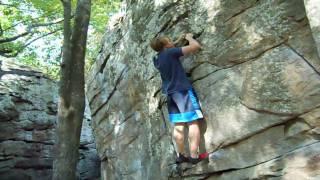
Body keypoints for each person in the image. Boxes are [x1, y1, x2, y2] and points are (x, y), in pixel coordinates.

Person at [150, 33, 204, 164]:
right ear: (166, 45)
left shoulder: (157, 59)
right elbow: (196, 46)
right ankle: (194, 156)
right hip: (182, 92)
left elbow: (169, 46)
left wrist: (178, 39)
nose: (172, 42)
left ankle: (181, 155)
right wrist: (189, 38)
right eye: (170, 41)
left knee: (179, 125)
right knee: (193, 122)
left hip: (170, 95)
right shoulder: (171, 53)